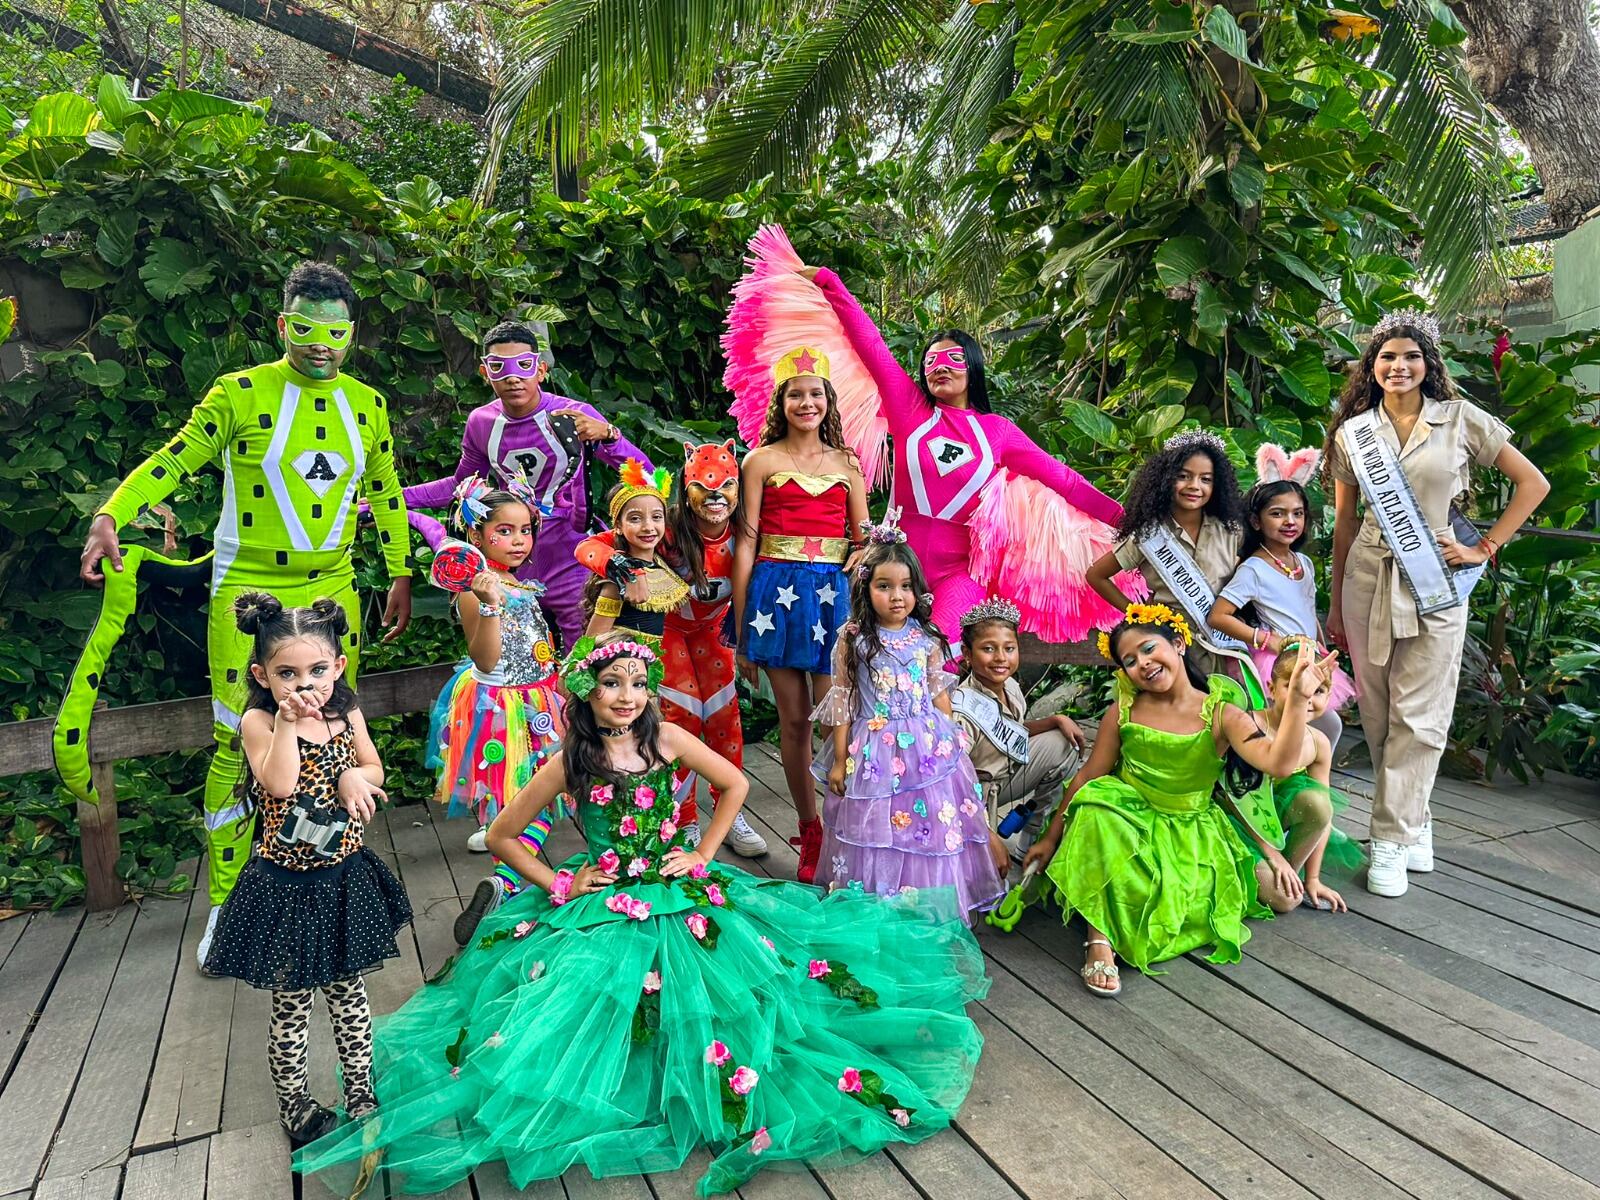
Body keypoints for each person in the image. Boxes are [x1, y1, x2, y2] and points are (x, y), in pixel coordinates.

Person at [291, 633, 990, 1199]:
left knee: (741, 990)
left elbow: (736, 782)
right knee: (574, 1005)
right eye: (610, 684)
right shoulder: (570, 762)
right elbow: (504, 834)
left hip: (678, 885)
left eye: (636, 684)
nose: (625, 697)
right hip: (605, 899)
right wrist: (561, 882)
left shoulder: (668, 742)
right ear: (586, 695)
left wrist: (703, 852)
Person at [78, 260, 413, 970]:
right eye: (304, 327)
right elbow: (177, 460)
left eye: (336, 331)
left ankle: (332, 883)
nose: (319, 343)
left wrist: (404, 571)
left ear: (352, 335)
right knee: (239, 747)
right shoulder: (238, 393)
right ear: (281, 322)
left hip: (334, 591)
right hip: (246, 593)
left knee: (334, 737)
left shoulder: (369, 404)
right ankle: (230, 904)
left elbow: (386, 492)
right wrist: (113, 513)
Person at [722, 226, 1124, 643]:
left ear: (973, 368)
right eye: (931, 361)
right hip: (895, 563)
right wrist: (829, 282)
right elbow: (870, 345)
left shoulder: (999, 433)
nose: (940, 367)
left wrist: (1128, 520)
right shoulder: (910, 410)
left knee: (938, 653)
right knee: (878, 657)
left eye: (952, 358)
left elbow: (1066, 481)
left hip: (960, 572)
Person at [1323, 311, 1548, 898]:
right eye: (1387, 358)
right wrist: (1334, 601)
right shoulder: (1354, 433)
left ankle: (1390, 841)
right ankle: (1415, 821)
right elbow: (1344, 522)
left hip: (1436, 582)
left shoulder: (1461, 420)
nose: (1399, 367)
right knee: (1377, 714)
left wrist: (1487, 547)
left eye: (1410, 356)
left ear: (1429, 365)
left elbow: (1534, 484)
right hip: (1368, 578)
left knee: (1421, 713)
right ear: (1372, 369)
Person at [1023, 606, 1333, 995]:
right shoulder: (1125, 710)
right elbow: (1088, 775)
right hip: (1126, 818)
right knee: (1097, 808)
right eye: (1130, 661)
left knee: (1272, 898)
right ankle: (1098, 940)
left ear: (1179, 643)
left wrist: (1300, 701)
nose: (1143, 664)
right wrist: (1051, 837)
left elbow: (1280, 762)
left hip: (1190, 833)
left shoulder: (1222, 713)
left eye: (1150, 649)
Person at [203, 594, 412, 1146]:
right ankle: (294, 1104)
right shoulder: (258, 720)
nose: (304, 685)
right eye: (287, 674)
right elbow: (278, 784)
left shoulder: (347, 711)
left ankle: (361, 1089)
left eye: (318, 670)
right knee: (292, 1005)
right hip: (287, 888)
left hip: (342, 879)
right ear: (262, 675)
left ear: (338, 666)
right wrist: (291, 725)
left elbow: (374, 767)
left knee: (351, 996)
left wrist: (351, 778)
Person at [400, 320, 651, 650]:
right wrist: (393, 498)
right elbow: (462, 485)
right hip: (512, 558)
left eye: (523, 365)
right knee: (517, 661)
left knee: (586, 657)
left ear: (541, 370)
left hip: (572, 555)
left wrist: (609, 435)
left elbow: (643, 475)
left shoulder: (573, 414)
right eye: (498, 367)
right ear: (485, 373)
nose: (512, 377)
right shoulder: (481, 422)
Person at [574, 441, 768, 856]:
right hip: (671, 632)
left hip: (715, 630)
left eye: (727, 487)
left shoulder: (747, 531)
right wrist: (619, 567)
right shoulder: (667, 528)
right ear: (686, 484)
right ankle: (684, 819)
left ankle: (728, 813)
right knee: (681, 717)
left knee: (724, 717)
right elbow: (589, 547)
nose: (715, 499)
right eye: (704, 487)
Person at [810, 526, 1007, 924]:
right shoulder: (854, 639)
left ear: (917, 590)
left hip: (927, 746)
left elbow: (938, 693)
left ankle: (925, 907)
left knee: (929, 824)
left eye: (904, 586)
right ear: (866, 589)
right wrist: (839, 760)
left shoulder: (926, 636)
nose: (896, 597)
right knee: (877, 830)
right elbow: (846, 700)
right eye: (884, 586)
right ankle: (879, 904)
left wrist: (950, 737)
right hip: (874, 749)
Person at [730, 347, 869, 883]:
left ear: (828, 401)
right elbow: (746, 543)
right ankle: (809, 830)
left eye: (815, 393)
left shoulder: (848, 465)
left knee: (838, 716)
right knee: (793, 720)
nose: (805, 401)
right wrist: (742, 629)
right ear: (781, 403)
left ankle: (845, 827)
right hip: (775, 598)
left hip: (832, 600)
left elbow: (863, 540)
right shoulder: (760, 460)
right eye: (795, 393)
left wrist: (852, 564)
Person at [425, 476, 566, 944]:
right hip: (503, 708)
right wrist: (489, 605)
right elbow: (486, 658)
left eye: (525, 530)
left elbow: (536, 647)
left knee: (535, 797)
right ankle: (508, 889)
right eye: (504, 531)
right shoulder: (475, 590)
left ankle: (502, 885)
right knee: (524, 800)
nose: (518, 541)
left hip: (540, 698)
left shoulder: (520, 582)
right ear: (476, 535)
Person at [1209, 444, 1356, 750]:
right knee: (1298, 730)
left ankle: (1301, 783)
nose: (1290, 521)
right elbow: (1218, 616)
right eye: (1277, 514)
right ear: (1256, 521)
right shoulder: (1254, 569)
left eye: (1297, 514)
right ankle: (1281, 781)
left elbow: (1307, 611)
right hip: (1278, 663)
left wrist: (1323, 650)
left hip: (1308, 656)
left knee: (1322, 727)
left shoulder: (1302, 563)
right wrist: (1267, 640)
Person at [1087, 430, 1247, 680]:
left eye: (1206, 479)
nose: (1195, 486)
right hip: (1174, 647)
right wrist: (1139, 614)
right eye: (1184, 476)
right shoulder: (1149, 534)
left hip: (1225, 648)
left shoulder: (1230, 530)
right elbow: (1096, 575)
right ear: (1165, 479)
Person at [950, 597, 1087, 860]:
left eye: (1009, 648)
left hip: (1011, 771)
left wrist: (1055, 720)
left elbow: (1015, 729)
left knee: (1063, 743)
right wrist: (986, 833)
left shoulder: (1010, 686)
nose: (1001, 658)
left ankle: (1032, 841)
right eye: (988, 649)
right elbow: (952, 777)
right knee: (987, 881)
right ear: (967, 654)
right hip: (975, 796)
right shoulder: (963, 709)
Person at [1245, 644, 1365, 914]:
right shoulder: (1247, 725)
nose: (1307, 696)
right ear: (1271, 688)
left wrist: (1313, 878)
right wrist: (1270, 854)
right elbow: (1232, 796)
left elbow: (1323, 814)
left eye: (1319, 690)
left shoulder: (1318, 742)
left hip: (1277, 823)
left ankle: (1291, 873)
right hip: (1240, 824)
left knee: (1318, 802)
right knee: (1284, 902)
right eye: (1294, 685)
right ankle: (1270, 869)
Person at [583, 461, 691, 648]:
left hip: (648, 669)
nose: (648, 527)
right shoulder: (620, 577)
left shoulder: (661, 562)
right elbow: (591, 644)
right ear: (618, 526)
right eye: (635, 519)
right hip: (621, 671)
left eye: (656, 517)